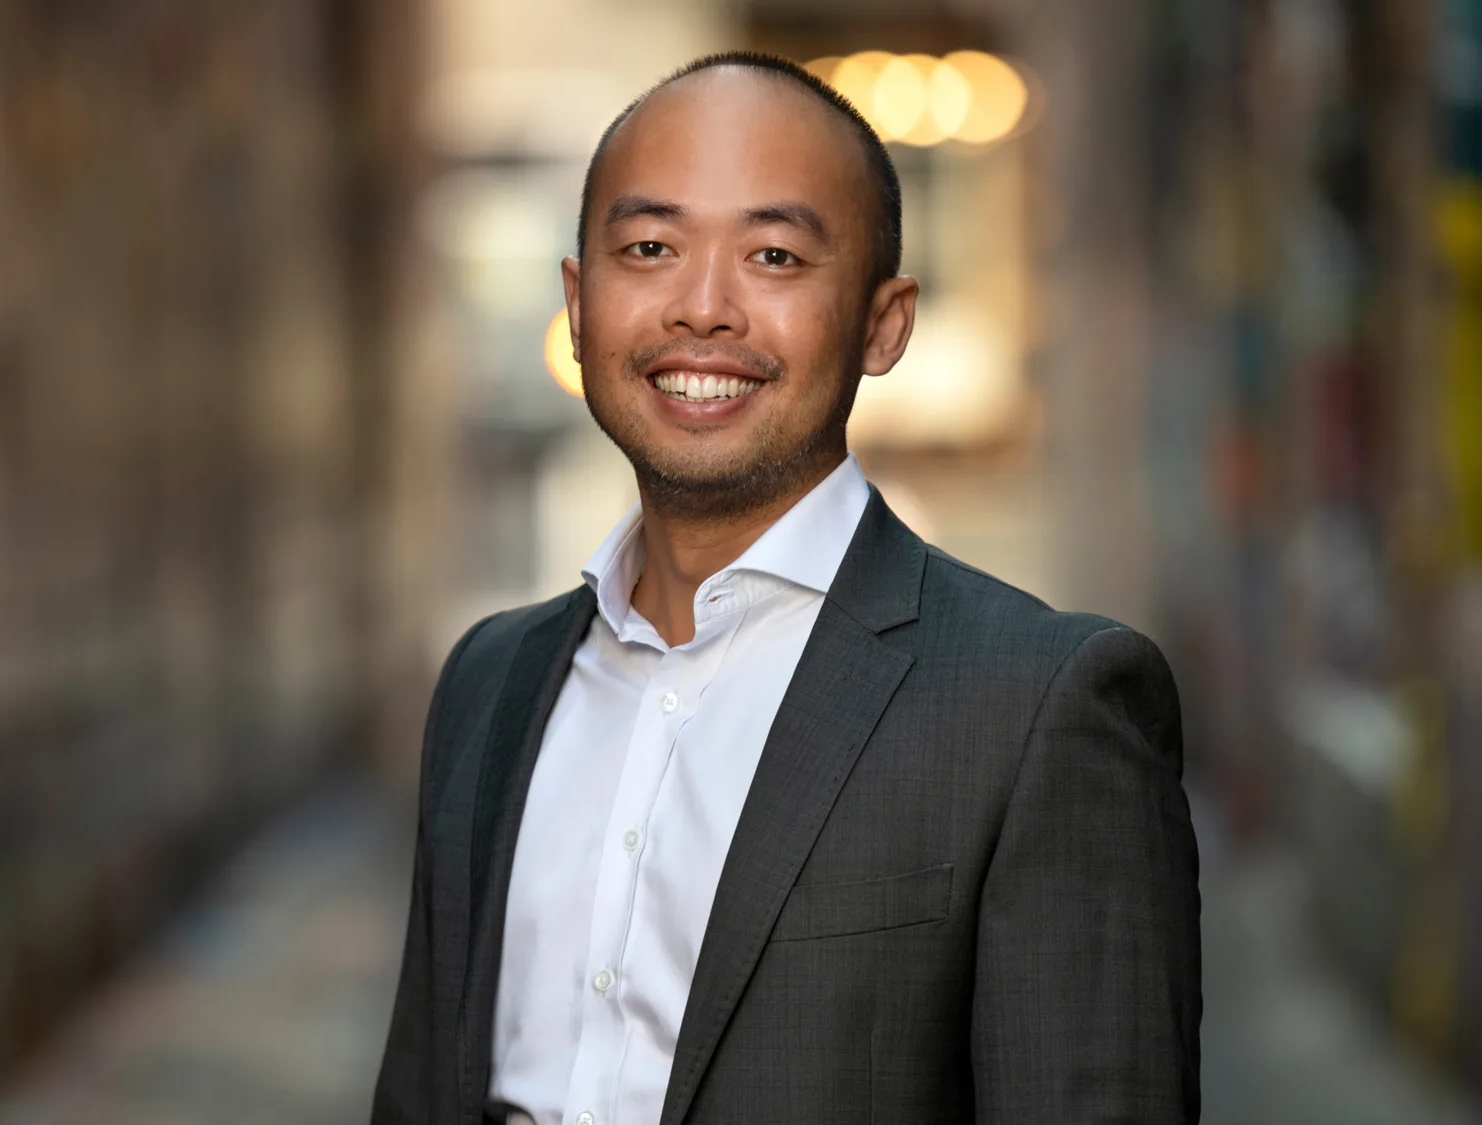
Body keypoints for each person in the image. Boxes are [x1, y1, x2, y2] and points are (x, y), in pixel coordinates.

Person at [371, 51, 1199, 1125]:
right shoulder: (488, 685)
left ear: (881, 322)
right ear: (578, 305)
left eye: (772, 254)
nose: (703, 309)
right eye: (650, 247)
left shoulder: (1038, 710)